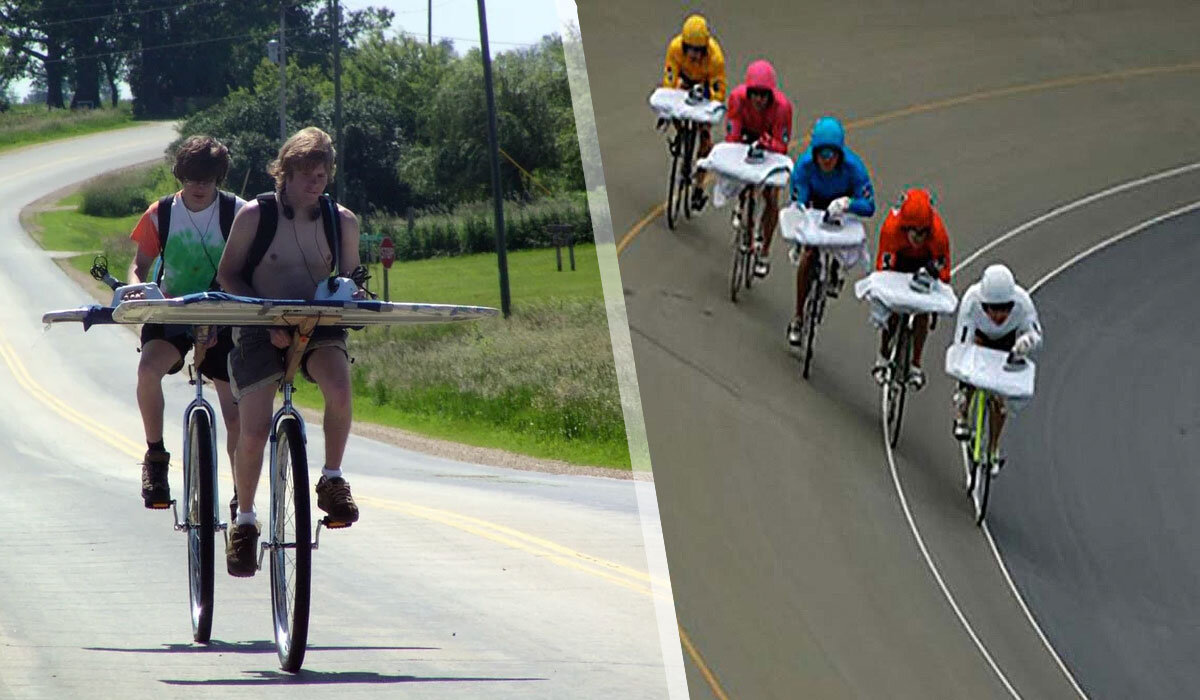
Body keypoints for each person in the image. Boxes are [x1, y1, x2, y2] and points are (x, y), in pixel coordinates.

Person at [215, 126, 363, 577]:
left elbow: (355, 277)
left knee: (339, 389)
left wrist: (353, 294)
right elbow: (228, 276)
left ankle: (332, 479)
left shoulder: (343, 221)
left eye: (322, 175)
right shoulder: (254, 216)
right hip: (260, 323)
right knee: (253, 430)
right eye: (305, 175)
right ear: (285, 172)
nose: (315, 183)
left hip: (320, 321)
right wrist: (265, 317)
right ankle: (244, 522)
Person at [127, 135, 246, 509]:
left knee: (233, 407)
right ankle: (156, 458)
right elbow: (139, 266)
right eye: (192, 179)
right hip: (171, 309)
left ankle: (243, 497)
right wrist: (139, 290)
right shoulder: (159, 213)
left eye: (207, 180)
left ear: (219, 179)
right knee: (148, 370)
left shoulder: (239, 213)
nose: (198, 187)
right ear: (180, 177)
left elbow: (251, 267)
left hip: (223, 315)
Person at [787, 116, 875, 345]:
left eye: (832, 155)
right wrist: (803, 214)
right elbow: (799, 200)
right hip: (815, 203)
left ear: (840, 154)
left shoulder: (854, 168)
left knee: (840, 239)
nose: (827, 161)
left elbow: (869, 206)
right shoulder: (804, 166)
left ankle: (836, 266)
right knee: (809, 254)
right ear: (815, 153)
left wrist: (849, 204)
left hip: (840, 207)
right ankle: (798, 316)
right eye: (822, 155)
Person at [951, 264, 1043, 471]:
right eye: (992, 308)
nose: (999, 315)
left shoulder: (1023, 302)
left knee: (1000, 399)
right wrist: (963, 379)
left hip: (1007, 344)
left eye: (1006, 308)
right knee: (970, 375)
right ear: (983, 304)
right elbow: (961, 344)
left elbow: (1037, 334)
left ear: (1013, 303)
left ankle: (993, 448)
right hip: (979, 339)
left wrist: (1026, 342)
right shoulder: (971, 300)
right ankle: (962, 410)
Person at [870, 188, 952, 389]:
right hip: (898, 261)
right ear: (905, 227)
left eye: (923, 232)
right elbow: (883, 270)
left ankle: (915, 364)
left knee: (922, 310)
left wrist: (933, 308)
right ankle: (883, 355)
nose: (918, 237)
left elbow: (945, 275)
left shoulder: (939, 235)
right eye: (913, 232)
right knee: (894, 308)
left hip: (925, 264)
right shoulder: (891, 228)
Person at [723, 59, 792, 278]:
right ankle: (743, 202)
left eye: (764, 95)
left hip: (770, 144)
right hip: (746, 137)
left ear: (771, 95)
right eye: (755, 94)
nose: (759, 99)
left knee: (771, 196)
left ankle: (764, 251)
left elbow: (781, 146)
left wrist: (767, 143)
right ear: (748, 92)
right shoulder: (736, 99)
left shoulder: (782, 108)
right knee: (742, 174)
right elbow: (732, 137)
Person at [661, 13, 727, 212]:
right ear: (683, 45)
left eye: (698, 50)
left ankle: (699, 186)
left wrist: (707, 116)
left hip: (705, 87)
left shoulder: (715, 58)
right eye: (689, 49)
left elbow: (718, 93)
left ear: (705, 48)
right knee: (673, 107)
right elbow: (669, 82)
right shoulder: (674, 48)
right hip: (686, 81)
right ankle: (682, 132)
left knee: (705, 137)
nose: (693, 55)